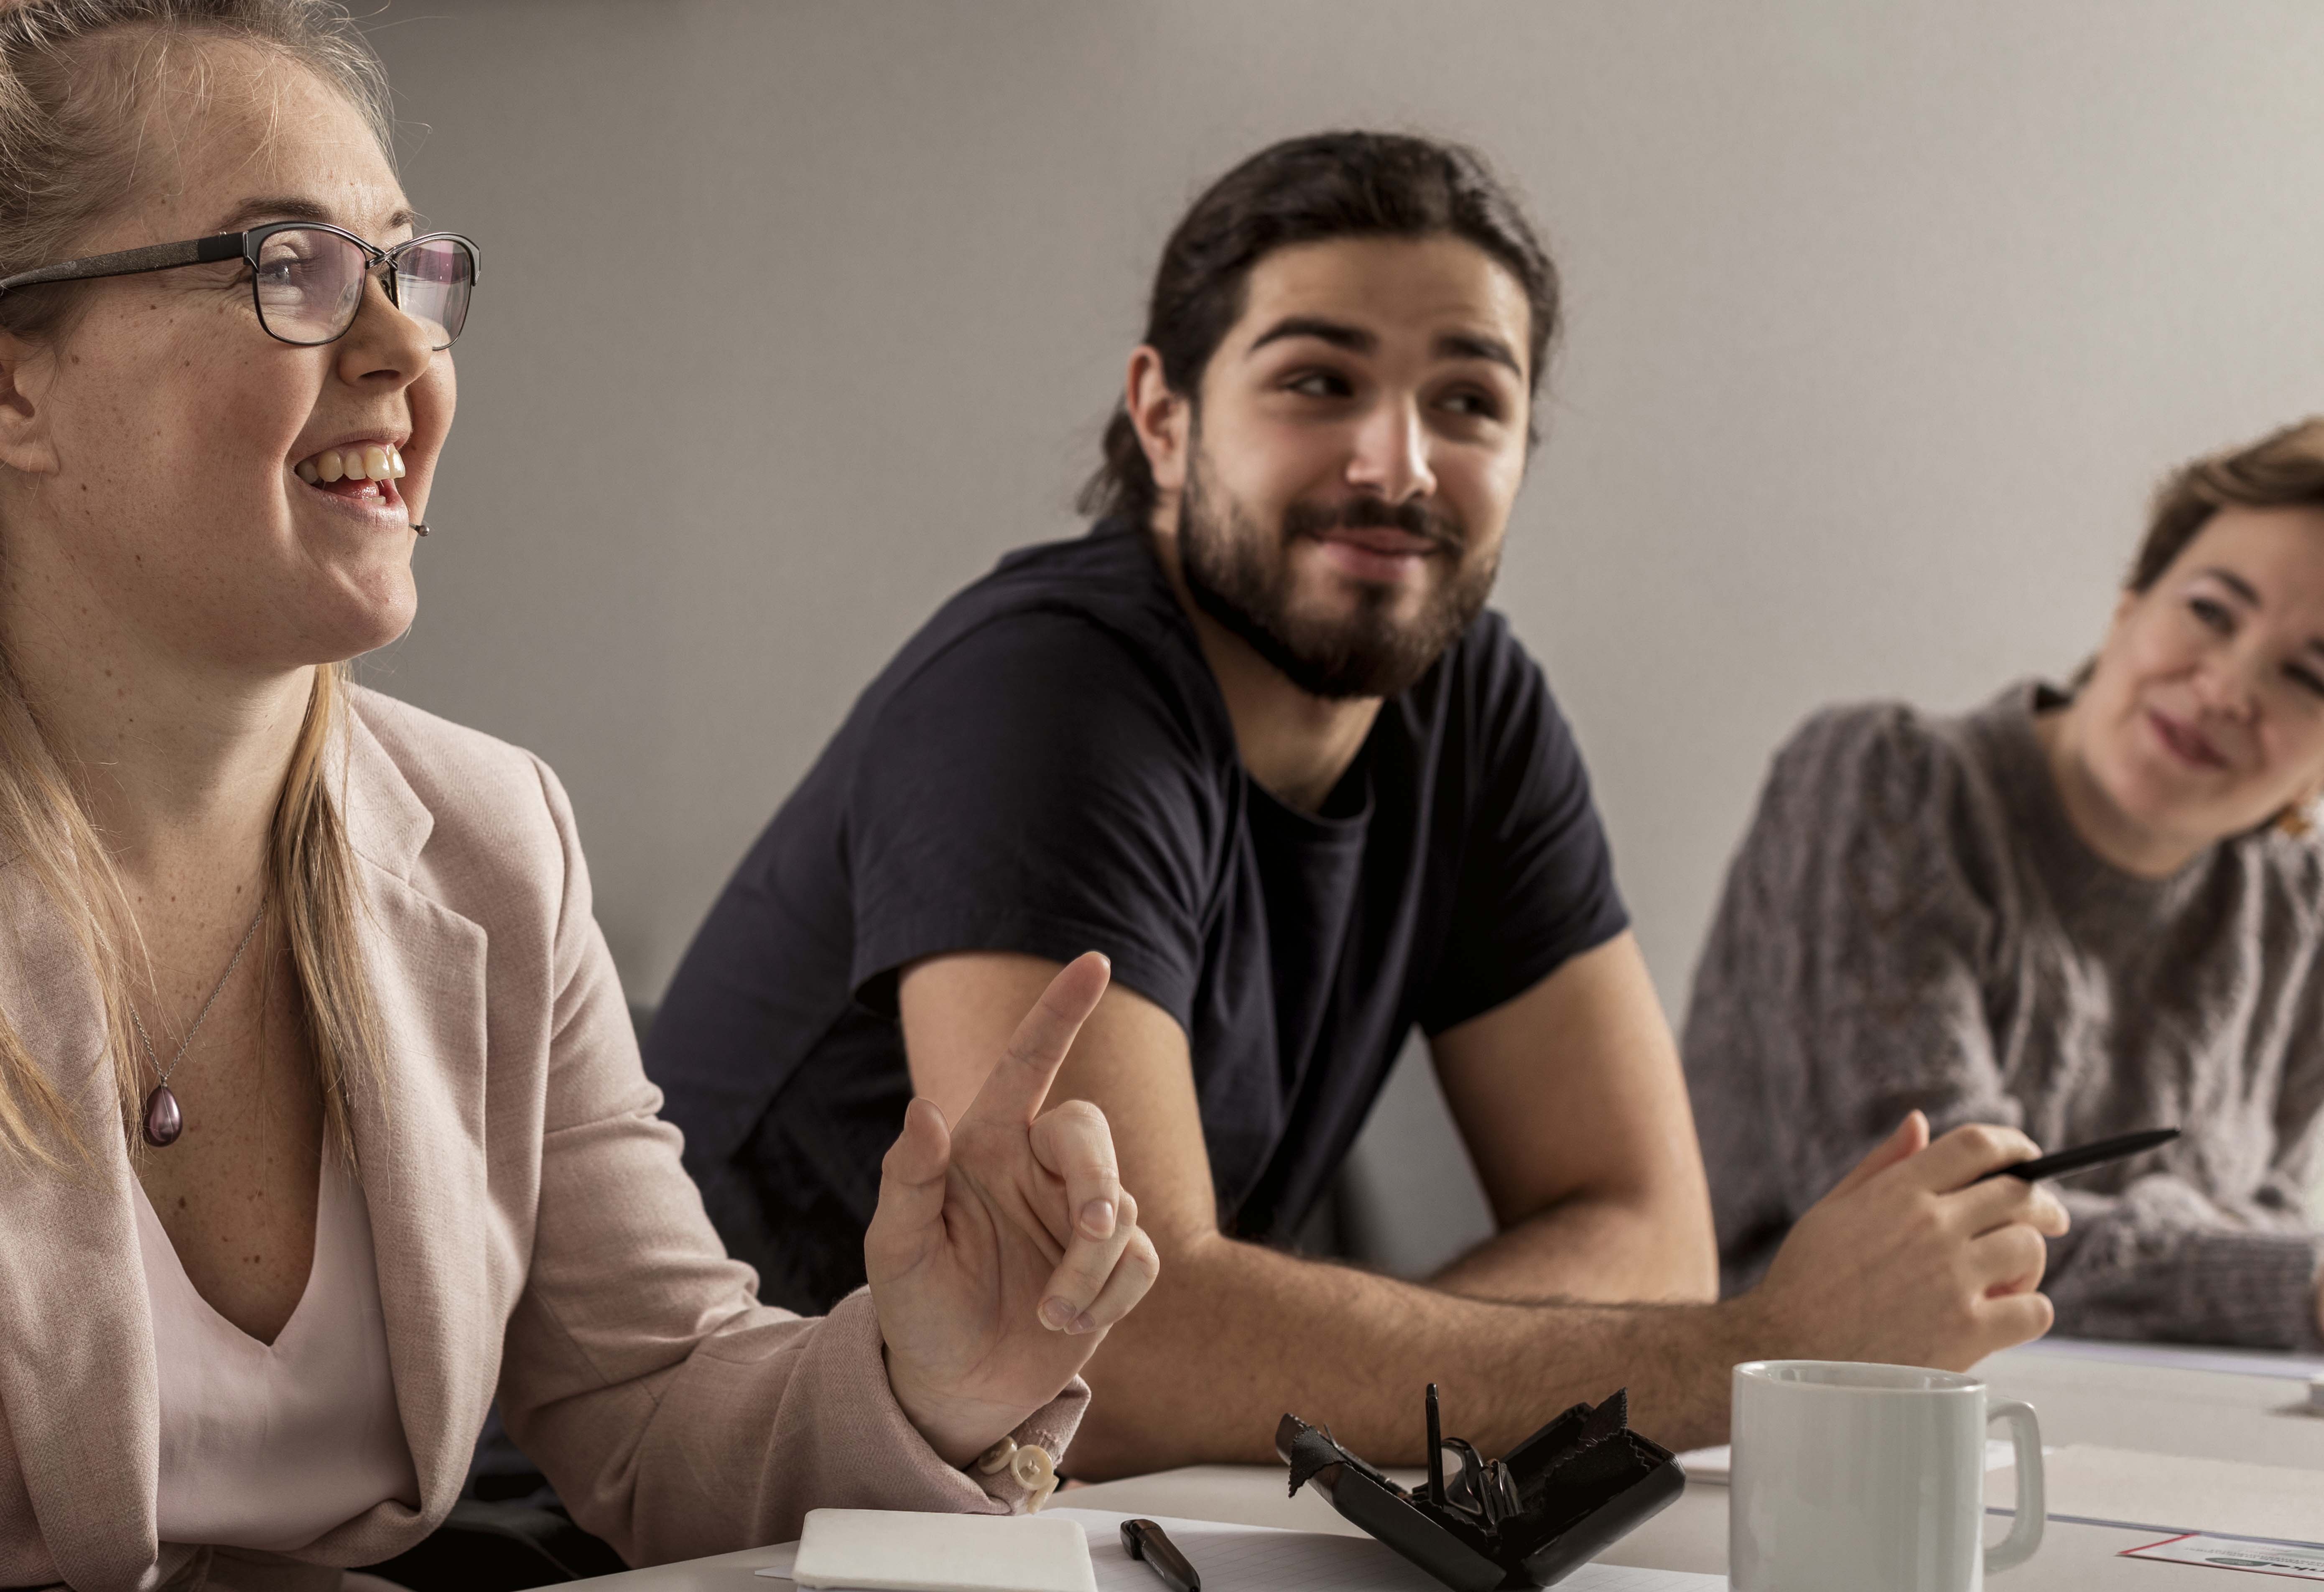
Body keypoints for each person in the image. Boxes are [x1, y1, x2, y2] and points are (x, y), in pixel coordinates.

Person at [645, 129, 2069, 1479]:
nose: (1399, 464)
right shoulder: (1044, 695)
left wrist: (1309, 1361)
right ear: (1164, 414)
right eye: (1319, 381)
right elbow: (1114, 1347)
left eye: (1469, 400)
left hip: (1009, 1513)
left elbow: (1645, 1233)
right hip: (678, 1519)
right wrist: (1770, 1349)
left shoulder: (1473, 701)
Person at [0, 3, 1158, 1587]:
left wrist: (930, 1375)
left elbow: (649, 1401)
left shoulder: (492, 839)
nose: (408, 349)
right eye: (291, 269)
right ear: (16, 386)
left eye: (408, 269)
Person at [1685, 419, 2324, 1353]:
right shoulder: (1885, 783)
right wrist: (2290, 1280)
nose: (2224, 686)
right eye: (2208, 611)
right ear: (2127, 605)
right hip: (1804, 1429)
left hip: (2157, 1434)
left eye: (2308, 674)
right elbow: (1937, 1238)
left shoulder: (2300, 918)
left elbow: (2265, 1227)